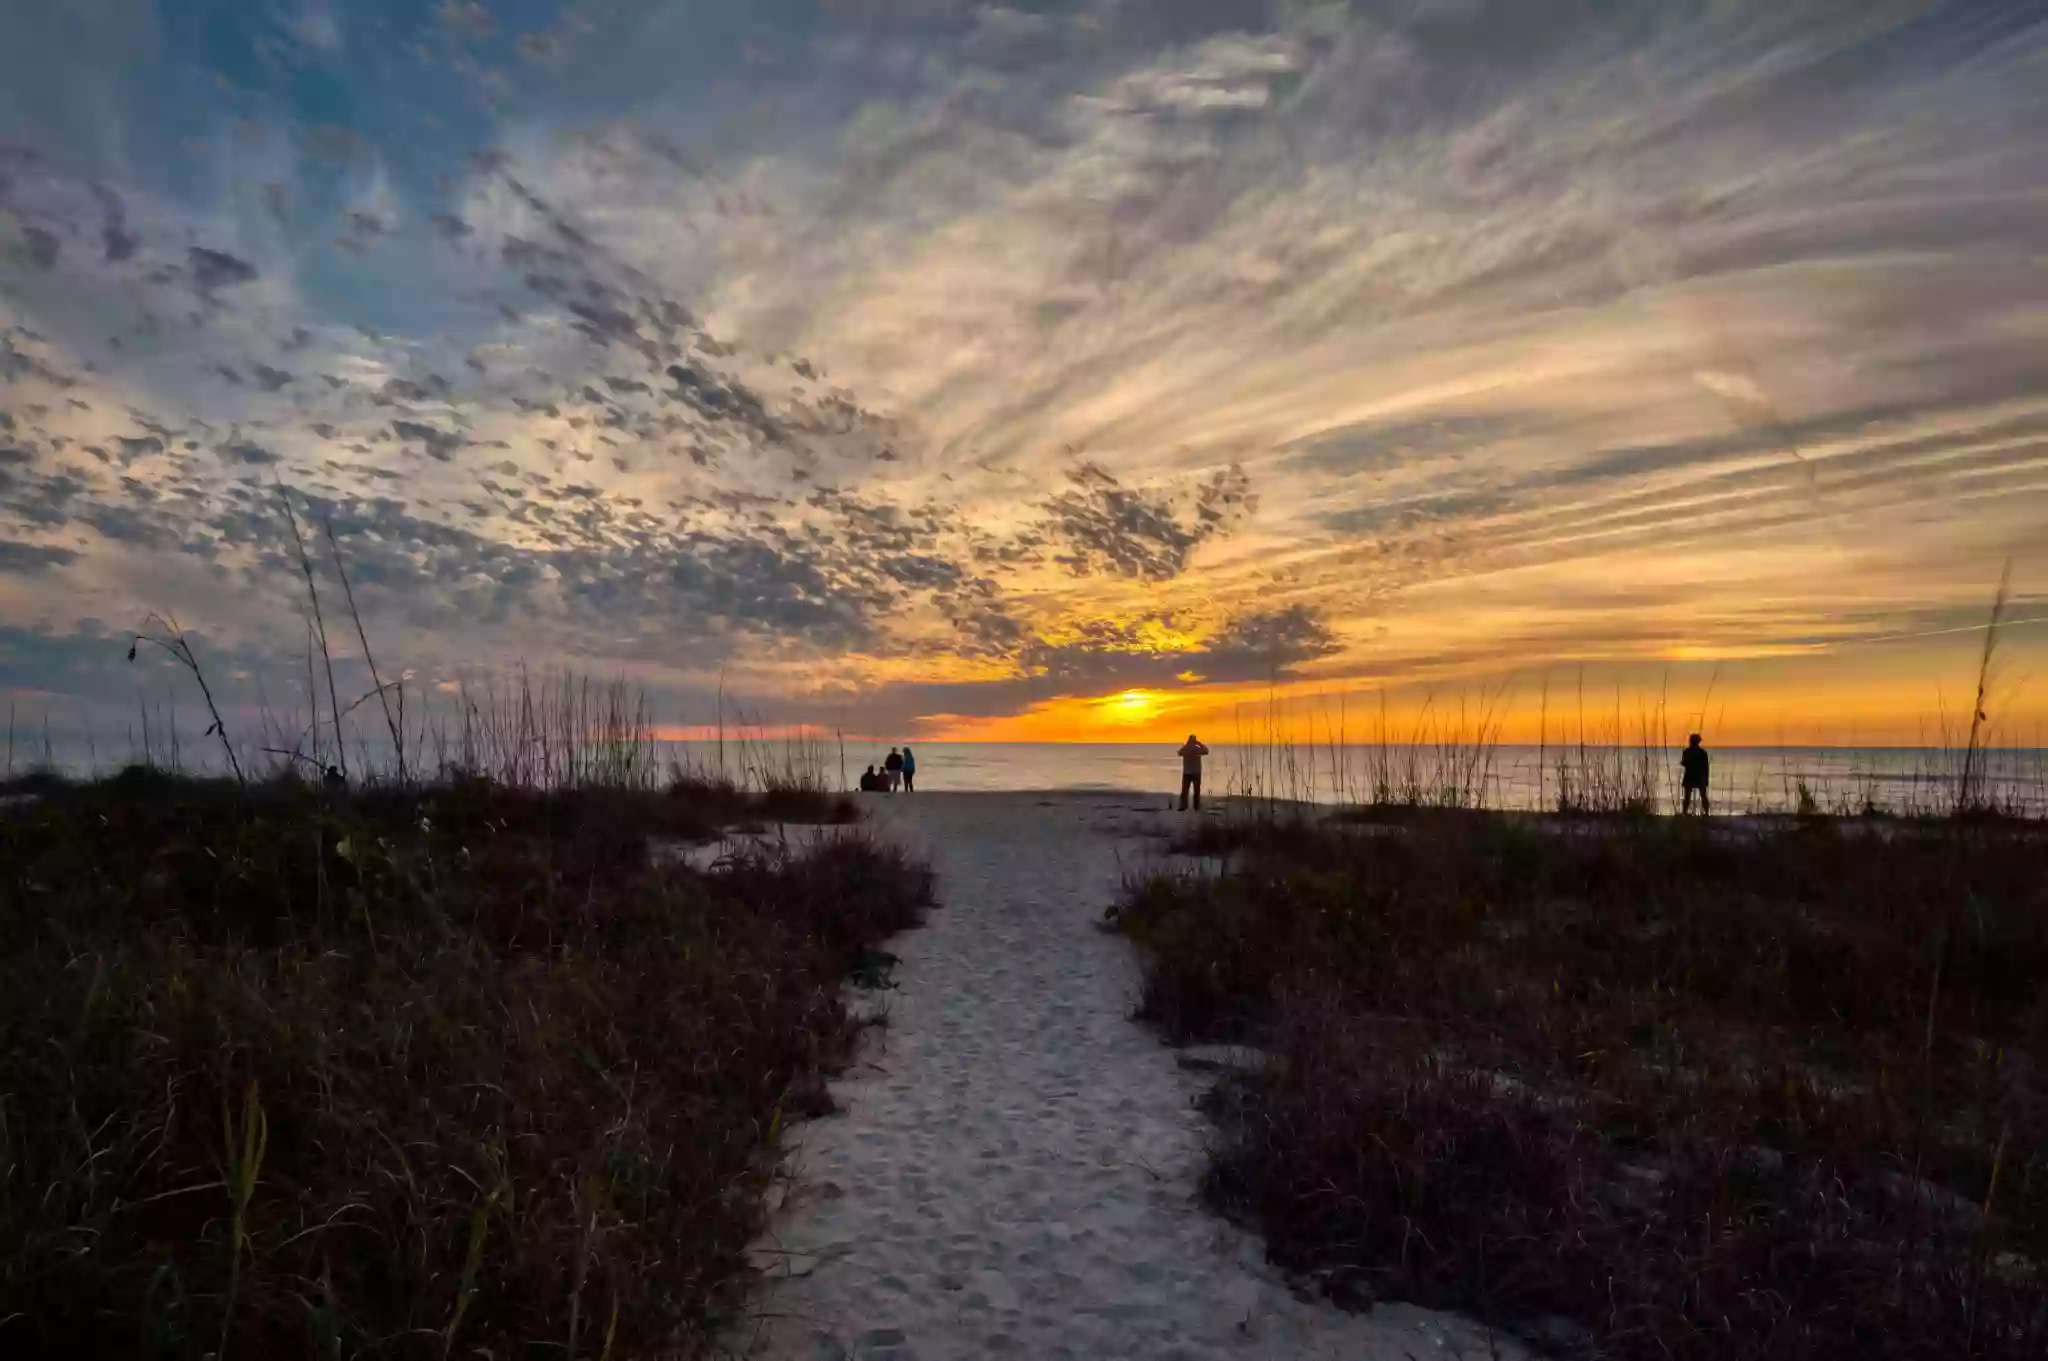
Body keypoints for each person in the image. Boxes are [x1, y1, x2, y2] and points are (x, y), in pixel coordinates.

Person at [1176, 733, 1210, 811]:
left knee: (1185, 791)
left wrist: (1185, 745)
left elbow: (1179, 753)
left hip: (1187, 773)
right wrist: (1200, 744)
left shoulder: (1186, 748)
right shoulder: (1197, 749)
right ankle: (1196, 806)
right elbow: (1206, 751)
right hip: (1196, 773)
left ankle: (1183, 806)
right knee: (1196, 791)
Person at [1680, 733, 1710, 815]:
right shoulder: (1702, 752)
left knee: (1688, 796)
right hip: (1697, 776)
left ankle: (1684, 812)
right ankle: (1706, 813)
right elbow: (1706, 767)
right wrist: (1706, 778)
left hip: (1692, 776)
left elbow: (1684, 763)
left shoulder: (1687, 752)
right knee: (1701, 795)